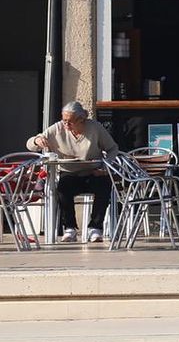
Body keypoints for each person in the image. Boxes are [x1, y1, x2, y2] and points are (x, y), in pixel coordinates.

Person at [26, 101, 118, 243]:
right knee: (63, 187)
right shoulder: (57, 129)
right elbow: (30, 144)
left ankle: (95, 228)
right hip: (69, 172)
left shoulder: (95, 128)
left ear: (81, 120)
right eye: (64, 121)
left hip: (93, 171)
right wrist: (38, 140)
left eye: (70, 122)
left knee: (104, 185)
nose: (66, 125)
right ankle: (70, 228)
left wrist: (105, 168)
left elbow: (112, 148)